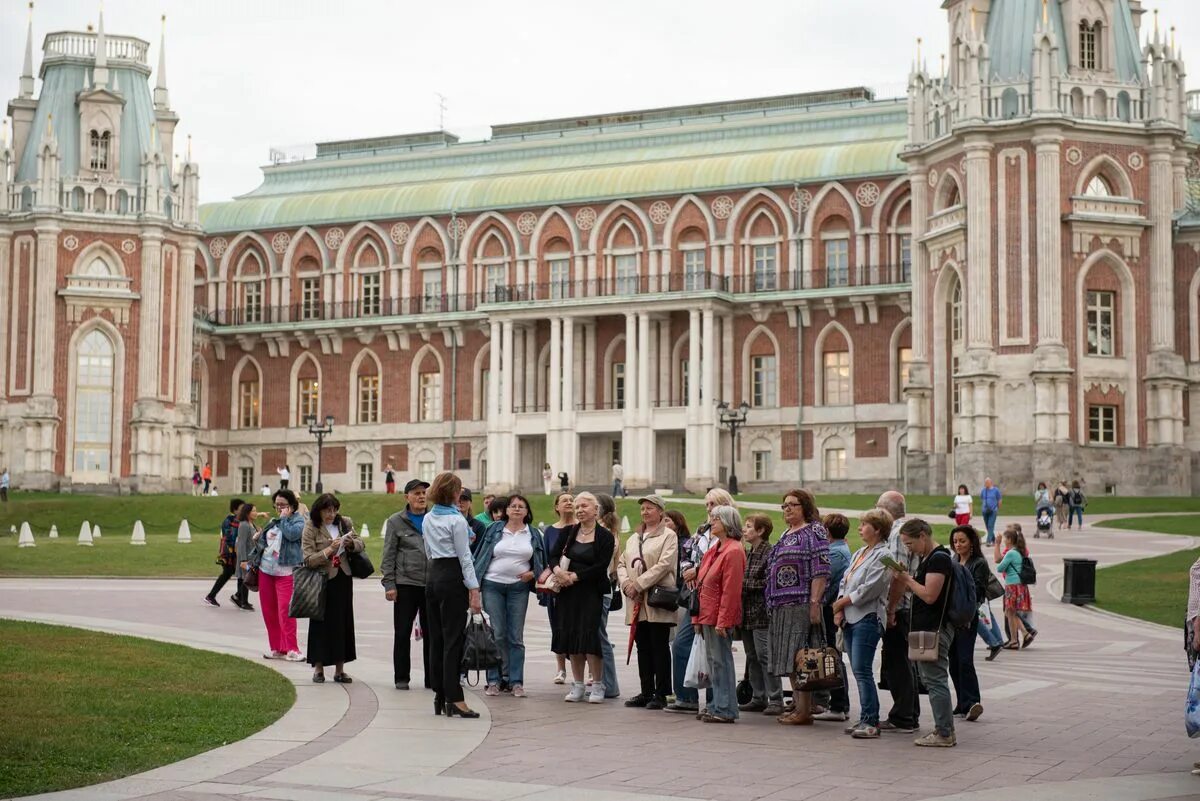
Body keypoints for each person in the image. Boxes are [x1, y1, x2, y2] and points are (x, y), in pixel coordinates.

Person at [888, 518, 957, 747]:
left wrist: (906, 579)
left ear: (923, 537)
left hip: (934, 628)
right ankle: (943, 729)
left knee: (935, 680)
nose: (908, 548)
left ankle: (944, 732)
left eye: (909, 543)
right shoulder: (928, 558)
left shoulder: (938, 559)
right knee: (929, 678)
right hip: (925, 627)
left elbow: (929, 595)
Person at [666, 487, 733, 714]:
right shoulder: (702, 531)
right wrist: (687, 569)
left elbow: (721, 563)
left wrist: (697, 569)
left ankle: (716, 703)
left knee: (715, 652)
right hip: (695, 596)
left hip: (714, 597)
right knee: (681, 644)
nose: (709, 510)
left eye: (713, 504)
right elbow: (687, 551)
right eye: (707, 505)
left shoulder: (730, 535)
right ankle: (686, 697)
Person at [422, 472, 483, 718]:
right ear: (453, 493)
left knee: (436, 638)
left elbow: (427, 550)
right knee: (453, 639)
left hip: (433, 574)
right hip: (451, 575)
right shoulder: (457, 521)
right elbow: (465, 557)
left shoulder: (428, 517)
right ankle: (455, 697)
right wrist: (474, 589)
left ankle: (440, 693)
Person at [767, 489, 830, 726]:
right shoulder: (786, 533)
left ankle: (805, 711)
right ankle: (799, 706)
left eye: (793, 504)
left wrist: (815, 603)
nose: (788, 509)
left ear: (805, 506)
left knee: (803, 658)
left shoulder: (814, 531)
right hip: (782, 605)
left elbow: (821, 569)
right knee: (791, 660)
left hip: (802, 603)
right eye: (784, 506)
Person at [473, 493, 545, 698]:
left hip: (518, 588)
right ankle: (494, 680)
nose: (516, 509)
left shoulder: (533, 534)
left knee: (516, 636)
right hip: (492, 585)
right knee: (497, 633)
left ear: (527, 512)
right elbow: (480, 556)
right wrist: (474, 588)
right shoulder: (494, 530)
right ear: (506, 511)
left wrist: (532, 574)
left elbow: (542, 563)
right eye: (513, 506)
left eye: (521, 506)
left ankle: (516, 681)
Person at [831, 508, 894, 738]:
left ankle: (871, 720)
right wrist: (840, 607)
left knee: (862, 669)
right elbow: (844, 582)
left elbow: (870, 589)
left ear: (877, 529)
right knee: (858, 670)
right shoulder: (860, 552)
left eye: (864, 524)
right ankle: (866, 716)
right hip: (850, 616)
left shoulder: (884, 555)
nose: (859, 528)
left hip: (867, 617)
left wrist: (841, 604)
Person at [548, 491, 616, 704]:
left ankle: (597, 685)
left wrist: (575, 576)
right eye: (577, 507)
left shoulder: (605, 536)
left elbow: (601, 566)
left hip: (591, 592)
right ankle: (577, 685)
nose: (580, 510)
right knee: (572, 636)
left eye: (585, 506)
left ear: (596, 510)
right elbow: (552, 555)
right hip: (568, 593)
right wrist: (558, 571)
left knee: (590, 637)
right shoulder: (569, 531)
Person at [617, 494, 678, 710]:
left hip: (656, 599)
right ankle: (646, 690)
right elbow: (622, 562)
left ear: (660, 511)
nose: (645, 512)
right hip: (636, 600)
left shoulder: (668, 536)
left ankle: (661, 693)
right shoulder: (635, 537)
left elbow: (664, 565)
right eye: (643, 508)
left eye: (650, 508)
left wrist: (639, 584)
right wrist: (626, 585)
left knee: (659, 646)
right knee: (642, 645)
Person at [302, 493, 364, 684]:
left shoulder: (344, 523)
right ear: (318, 510)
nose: (331, 514)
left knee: (342, 623)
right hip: (321, 580)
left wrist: (350, 543)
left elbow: (361, 543)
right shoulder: (311, 526)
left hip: (343, 578)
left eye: (334, 510)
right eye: (327, 510)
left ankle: (340, 669)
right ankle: (319, 669)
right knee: (320, 624)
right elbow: (308, 559)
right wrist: (329, 550)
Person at [694, 504, 746, 723]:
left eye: (716, 519)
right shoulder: (714, 549)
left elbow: (731, 591)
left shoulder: (733, 550)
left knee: (721, 661)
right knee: (713, 661)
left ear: (727, 523)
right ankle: (718, 704)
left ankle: (725, 708)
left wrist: (723, 621)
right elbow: (700, 583)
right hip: (707, 613)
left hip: (718, 616)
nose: (711, 522)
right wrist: (696, 617)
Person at [381, 478, 431, 691]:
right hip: (405, 584)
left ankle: (433, 678)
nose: (421, 496)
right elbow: (388, 555)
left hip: (431, 585)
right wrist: (389, 584)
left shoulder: (434, 518)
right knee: (402, 632)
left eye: (424, 493)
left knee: (432, 633)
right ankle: (402, 677)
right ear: (407, 497)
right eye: (417, 493)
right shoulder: (395, 521)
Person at [878, 489, 921, 733]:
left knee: (899, 663)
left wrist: (891, 609)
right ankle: (908, 713)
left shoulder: (896, 534)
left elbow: (897, 575)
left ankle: (903, 715)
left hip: (901, 607)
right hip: (910, 605)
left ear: (885, 510)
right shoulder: (910, 528)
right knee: (904, 662)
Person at [250, 489, 306, 662]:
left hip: (286, 572)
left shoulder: (298, 521)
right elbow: (263, 542)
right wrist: (257, 538)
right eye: (277, 504)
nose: (280, 507)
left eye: (283, 504)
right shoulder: (273, 522)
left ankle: (292, 649)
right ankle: (277, 648)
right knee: (269, 611)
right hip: (266, 570)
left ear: (292, 505)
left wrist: (283, 519)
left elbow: (292, 535)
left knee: (286, 611)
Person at [739, 513, 782, 716]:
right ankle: (758, 696)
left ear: (761, 531)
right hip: (747, 612)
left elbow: (768, 582)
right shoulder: (748, 552)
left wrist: (742, 585)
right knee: (751, 656)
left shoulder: (770, 552)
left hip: (762, 613)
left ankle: (775, 698)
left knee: (765, 655)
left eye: (749, 526)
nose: (744, 530)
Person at [813, 512, 852, 722]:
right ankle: (837, 703)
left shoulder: (835, 553)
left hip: (829, 609)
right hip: (829, 608)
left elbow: (825, 582)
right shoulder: (839, 550)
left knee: (833, 656)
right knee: (833, 655)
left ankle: (839, 704)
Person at [949, 524, 988, 722]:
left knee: (964, 659)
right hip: (951, 617)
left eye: (962, 541)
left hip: (967, 618)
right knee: (953, 661)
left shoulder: (978, 563)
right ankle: (961, 702)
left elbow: (978, 591)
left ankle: (973, 701)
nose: (958, 545)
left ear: (971, 542)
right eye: (955, 541)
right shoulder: (953, 560)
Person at [542, 492, 575, 684]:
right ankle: (561, 669)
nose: (569, 503)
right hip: (556, 584)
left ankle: (583, 670)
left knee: (577, 627)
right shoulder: (550, 531)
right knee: (557, 626)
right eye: (565, 501)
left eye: (572, 500)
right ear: (557, 507)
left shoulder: (581, 528)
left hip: (576, 583)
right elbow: (547, 557)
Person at [595, 493, 622, 699]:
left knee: (600, 638)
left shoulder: (604, 532)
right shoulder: (605, 530)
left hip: (599, 590)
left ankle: (609, 684)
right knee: (597, 637)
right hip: (599, 589)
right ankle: (603, 682)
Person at [995, 525, 1034, 650]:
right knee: (1010, 612)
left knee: (1010, 612)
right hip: (1019, 585)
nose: (1004, 541)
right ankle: (1018, 637)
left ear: (1010, 540)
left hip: (1012, 585)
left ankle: (1018, 638)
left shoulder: (1011, 553)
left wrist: (997, 545)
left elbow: (999, 568)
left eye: (1005, 539)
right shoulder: (1018, 551)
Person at [204, 498, 247, 608]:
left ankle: (238, 598)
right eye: (242, 509)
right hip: (229, 554)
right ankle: (212, 596)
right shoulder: (229, 521)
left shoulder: (240, 520)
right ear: (235, 510)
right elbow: (229, 538)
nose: (244, 511)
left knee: (238, 575)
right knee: (229, 574)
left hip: (236, 554)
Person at [233, 502, 266, 612]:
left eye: (256, 510)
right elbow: (241, 543)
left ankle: (240, 599)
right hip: (245, 557)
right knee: (245, 578)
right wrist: (243, 560)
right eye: (254, 511)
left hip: (251, 557)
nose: (256, 513)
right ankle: (243, 602)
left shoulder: (251, 524)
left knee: (245, 578)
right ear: (247, 513)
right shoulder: (244, 525)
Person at [459, 488, 487, 553]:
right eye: (458, 499)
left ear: (470, 503)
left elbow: (480, 550)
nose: (461, 502)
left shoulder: (479, 526)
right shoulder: (448, 523)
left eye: (465, 499)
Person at [979, 478, 1001, 546]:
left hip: (993, 511)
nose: (986, 484)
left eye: (987, 482)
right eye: (985, 482)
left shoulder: (996, 490)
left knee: (990, 525)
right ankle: (993, 539)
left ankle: (988, 541)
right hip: (985, 511)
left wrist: (997, 508)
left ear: (991, 483)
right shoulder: (983, 490)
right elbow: (982, 499)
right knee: (988, 526)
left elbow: (999, 500)